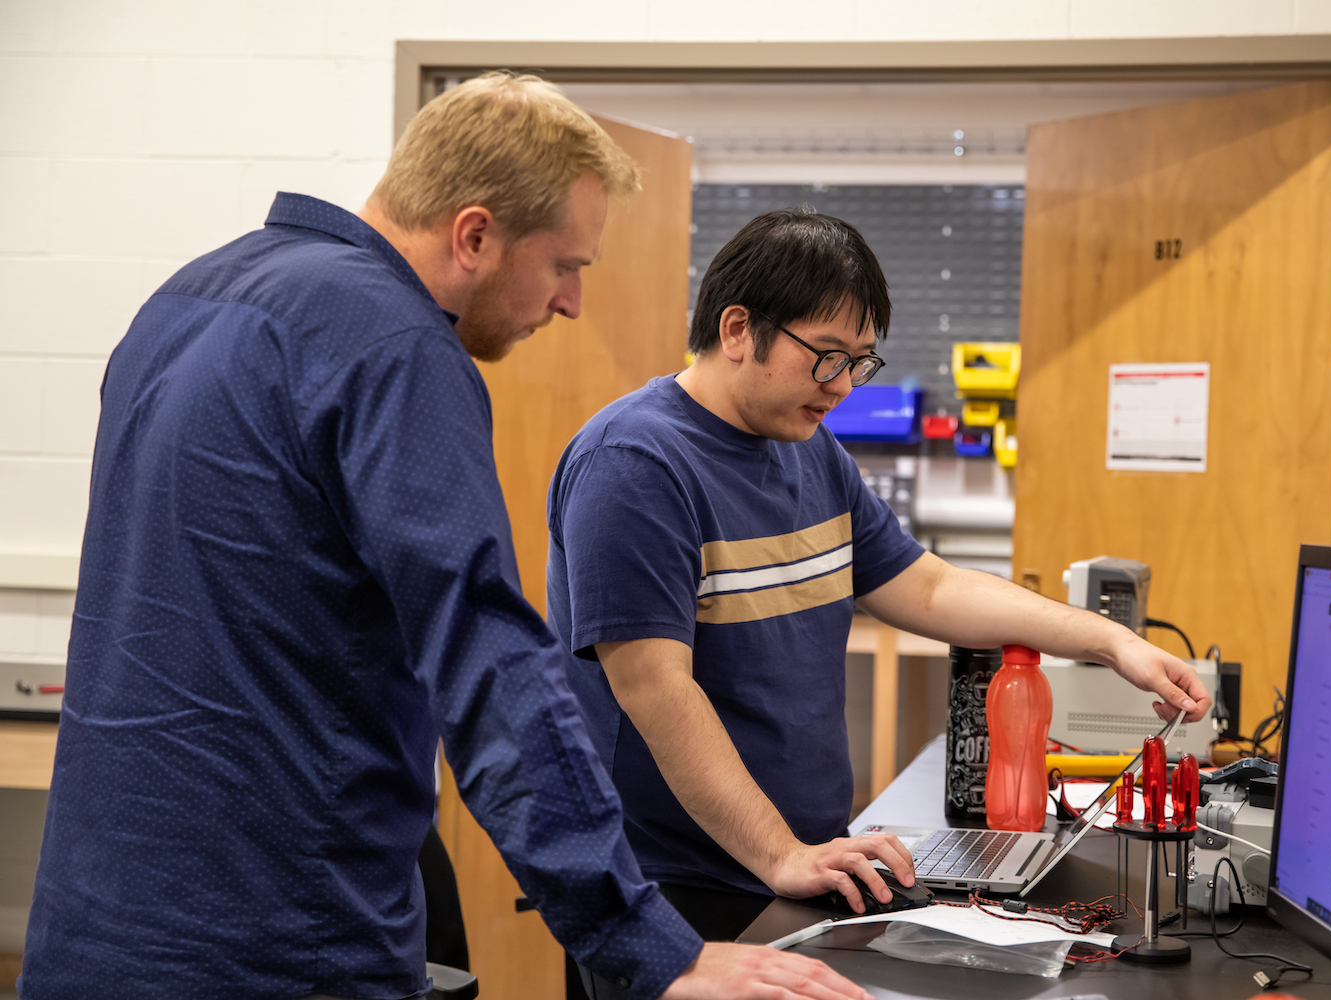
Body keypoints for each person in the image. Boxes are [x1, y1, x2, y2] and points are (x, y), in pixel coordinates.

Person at [19, 75, 874, 1000]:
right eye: (564, 266)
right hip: (277, 938)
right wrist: (644, 944)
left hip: (94, 925)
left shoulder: (185, 301)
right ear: (474, 235)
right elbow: (491, 664)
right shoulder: (392, 345)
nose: (572, 303)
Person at [546, 208, 1214, 942]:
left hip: (795, 867)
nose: (843, 385)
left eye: (860, 362)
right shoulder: (634, 464)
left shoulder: (808, 448)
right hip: (669, 891)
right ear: (737, 329)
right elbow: (656, 688)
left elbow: (928, 587)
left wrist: (1111, 643)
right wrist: (781, 854)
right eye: (826, 355)